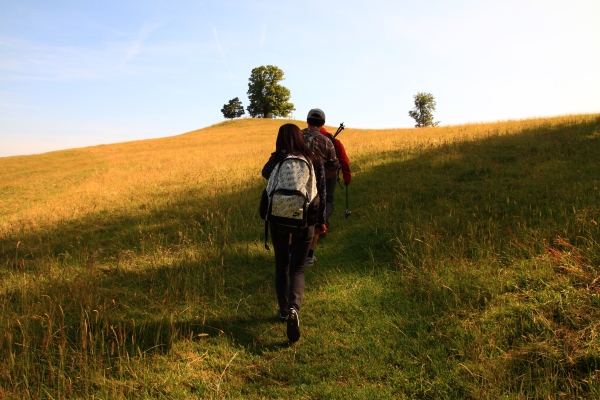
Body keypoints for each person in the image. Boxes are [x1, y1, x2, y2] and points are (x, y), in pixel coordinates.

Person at [261, 123, 327, 343]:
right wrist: (321, 220)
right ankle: (293, 310)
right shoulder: (314, 159)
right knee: (298, 267)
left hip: (278, 218)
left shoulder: (277, 160)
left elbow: (265, 176)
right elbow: (321, 190)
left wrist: (277, 156)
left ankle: (282, 310)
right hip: (304, 219)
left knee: (282, 264)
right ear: (301, 138)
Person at [302, 108, 340, 265]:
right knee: (316, 219)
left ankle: (291, 253)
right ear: (323, 123)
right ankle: (309, 256)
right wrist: (322, 179)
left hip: (294, 185)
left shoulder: (296, 136)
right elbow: (335, 165)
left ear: (307, 120)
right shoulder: (327, 141)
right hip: (316, 189)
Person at [319, 125, 352, 227]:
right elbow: (343, 160)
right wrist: (347, 177)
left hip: (308, 175)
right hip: (329, 175)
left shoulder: (302, 137)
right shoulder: (332, 140)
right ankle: (322, 223)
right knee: (327, 200)